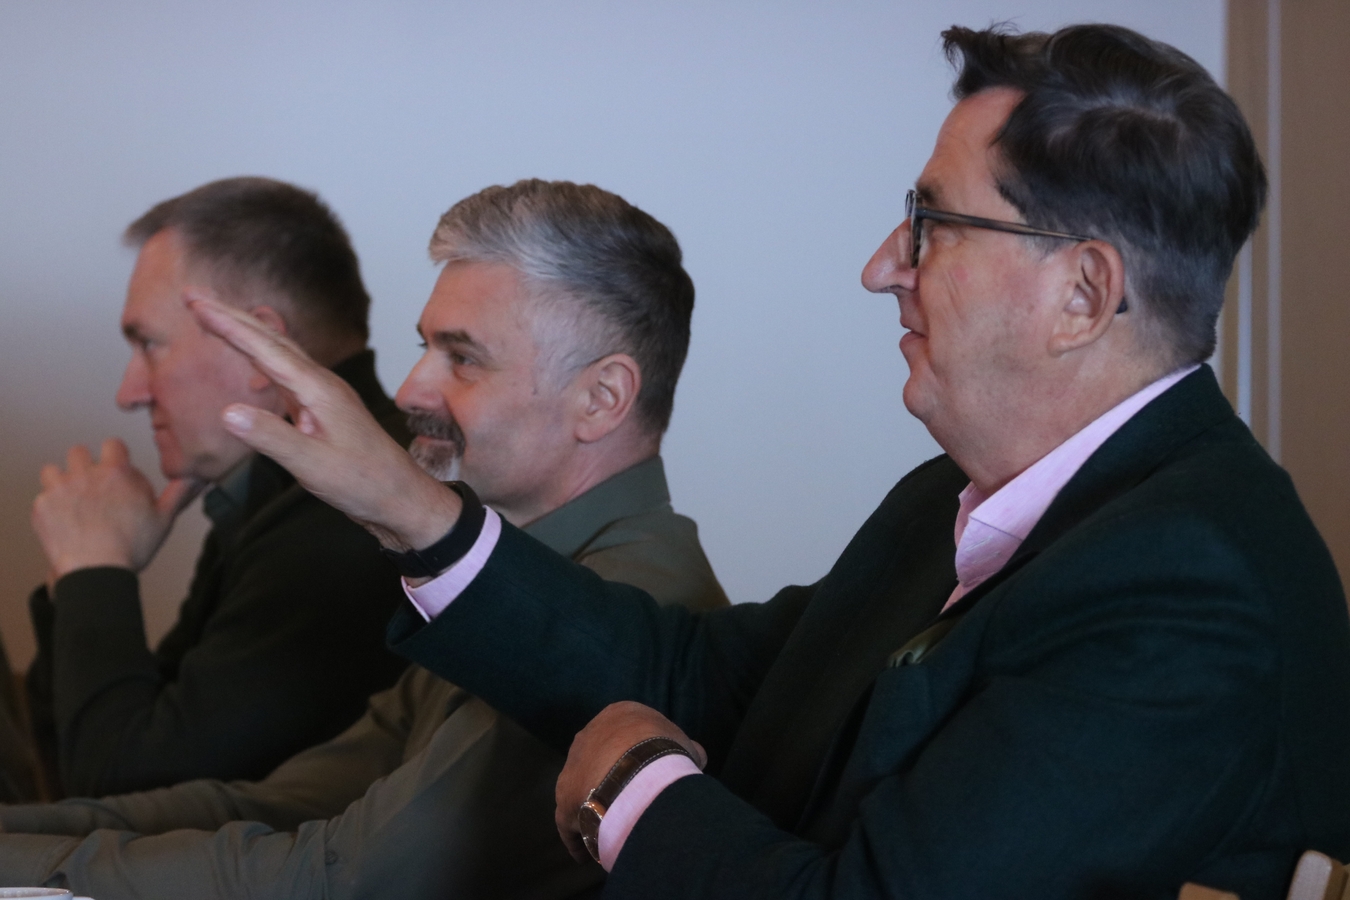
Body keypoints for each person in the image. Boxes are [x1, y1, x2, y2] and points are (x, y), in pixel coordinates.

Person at [181, 24, 1350, 900]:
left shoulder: (1190, 586)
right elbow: (706, 675)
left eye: (932, 223)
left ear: (1082, 294)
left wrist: (634, 787)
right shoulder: (954, 497)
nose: (883, 266)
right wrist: (414, 511)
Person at [0, 179, 728, 900]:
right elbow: (277, 803)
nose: (409, 391)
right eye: (424, 346)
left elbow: (347, 877)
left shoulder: (628, 604)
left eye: (463, 357)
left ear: (601, 399)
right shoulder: (511, 579)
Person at [23, 177, 410, 799]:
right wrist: (77, 574)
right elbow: (77, 770)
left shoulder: (340, 520)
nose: (128, 393)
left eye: (149, 344)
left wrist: (94, 570)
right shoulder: (272, 495)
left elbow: (126, 791)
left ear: (256, 348)